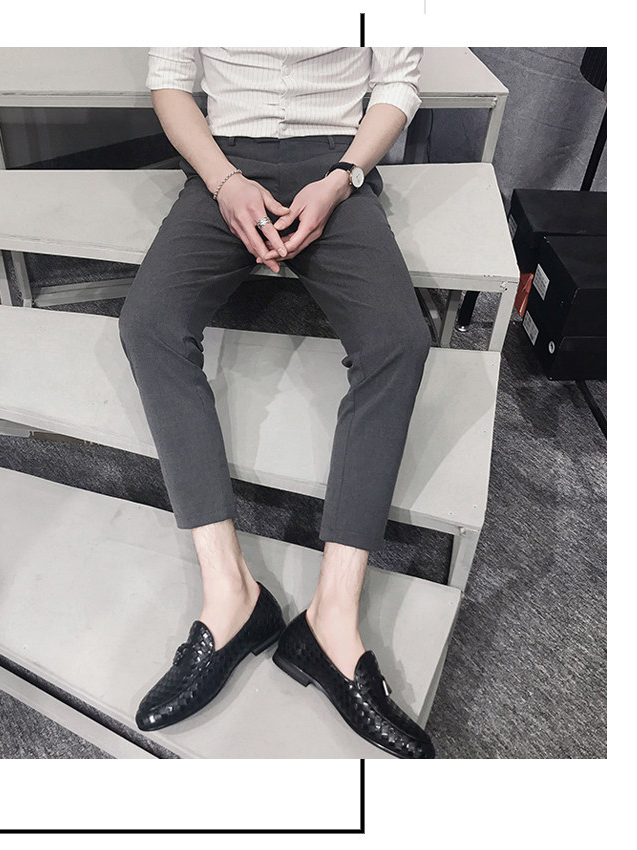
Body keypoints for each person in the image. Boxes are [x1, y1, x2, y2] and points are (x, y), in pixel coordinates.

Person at [118, 48, 435, 758]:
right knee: (149, 326)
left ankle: (332, 620)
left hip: (338, 163)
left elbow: (397, 81)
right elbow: (170, 83)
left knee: (399, 342)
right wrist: (224, 180)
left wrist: (344, 177)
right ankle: (231, 594)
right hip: (224, 161)